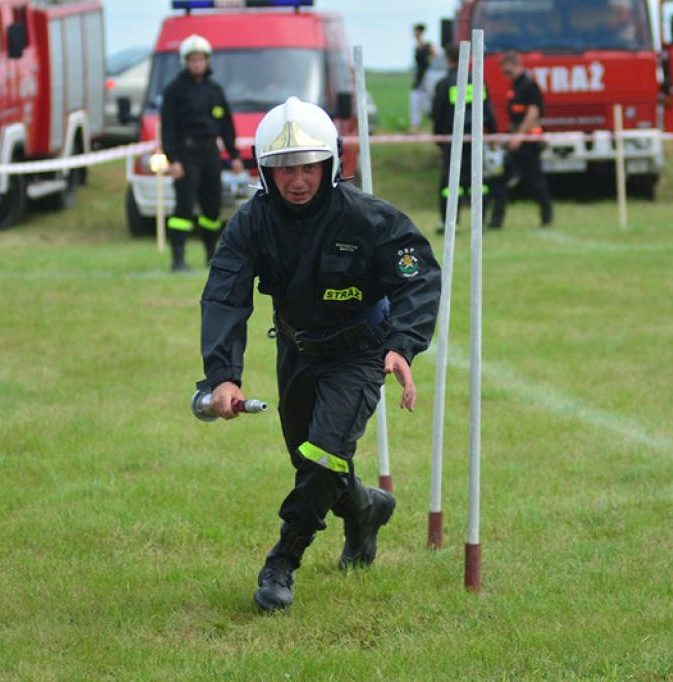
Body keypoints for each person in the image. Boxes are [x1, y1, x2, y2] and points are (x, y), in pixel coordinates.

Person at [196, 96, 442, 612]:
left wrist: (402, 346)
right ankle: (365, 508)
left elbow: (417, 278)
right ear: (264, 171)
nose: (298, 180)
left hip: (362, 350)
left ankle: (282, 561)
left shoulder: (369, 218)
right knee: (310, 462)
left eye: (308, 166)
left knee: (325, 454)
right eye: (284, 168)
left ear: (331, 162)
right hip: (297, 349)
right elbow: (224, 297)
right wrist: (222, 375)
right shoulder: (249, 223)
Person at [160, 34, 244, 271]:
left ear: (207, 60)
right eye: (193, 60)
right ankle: (178, 259)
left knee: (212, 206)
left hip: (210, 154)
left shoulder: (215, 90)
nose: (197, 64)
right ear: (185, 61)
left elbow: (226, 124)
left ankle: (211, 254)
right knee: (184, 206)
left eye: (201, 59)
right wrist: (173, 160)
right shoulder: (175, 90)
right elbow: (168, 128)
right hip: (186, 154)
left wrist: (234, 155)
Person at [430, 43, 504, 233]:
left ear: (448, 59)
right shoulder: (478, 80)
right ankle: (480, 220)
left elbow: (438, 115)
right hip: (475, 139)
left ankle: (449, 222)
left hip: (453, 140)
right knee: (477, 180)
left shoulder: (444, 84)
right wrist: (493, 133)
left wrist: (439, 140)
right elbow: (487, 109)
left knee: (450, 183)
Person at [490, 50, 553, 229]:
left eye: (507, 70)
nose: (505, 74)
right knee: (499, 180)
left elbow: (533, 112)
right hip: (516, 142)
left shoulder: (529, 86)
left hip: (528, 143)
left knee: (535, 182)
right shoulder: (515, 86)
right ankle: (495, 222)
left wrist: (519, 136)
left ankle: (547, 217)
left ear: (517, 65)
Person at [409, 23, 437, 134]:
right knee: (415, 101)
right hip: (419, 78)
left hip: (427, 77)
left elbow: (436, 56)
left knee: (428, 103)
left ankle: (433, 124)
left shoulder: (428, 45)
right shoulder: (416, 47)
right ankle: (415, 126)